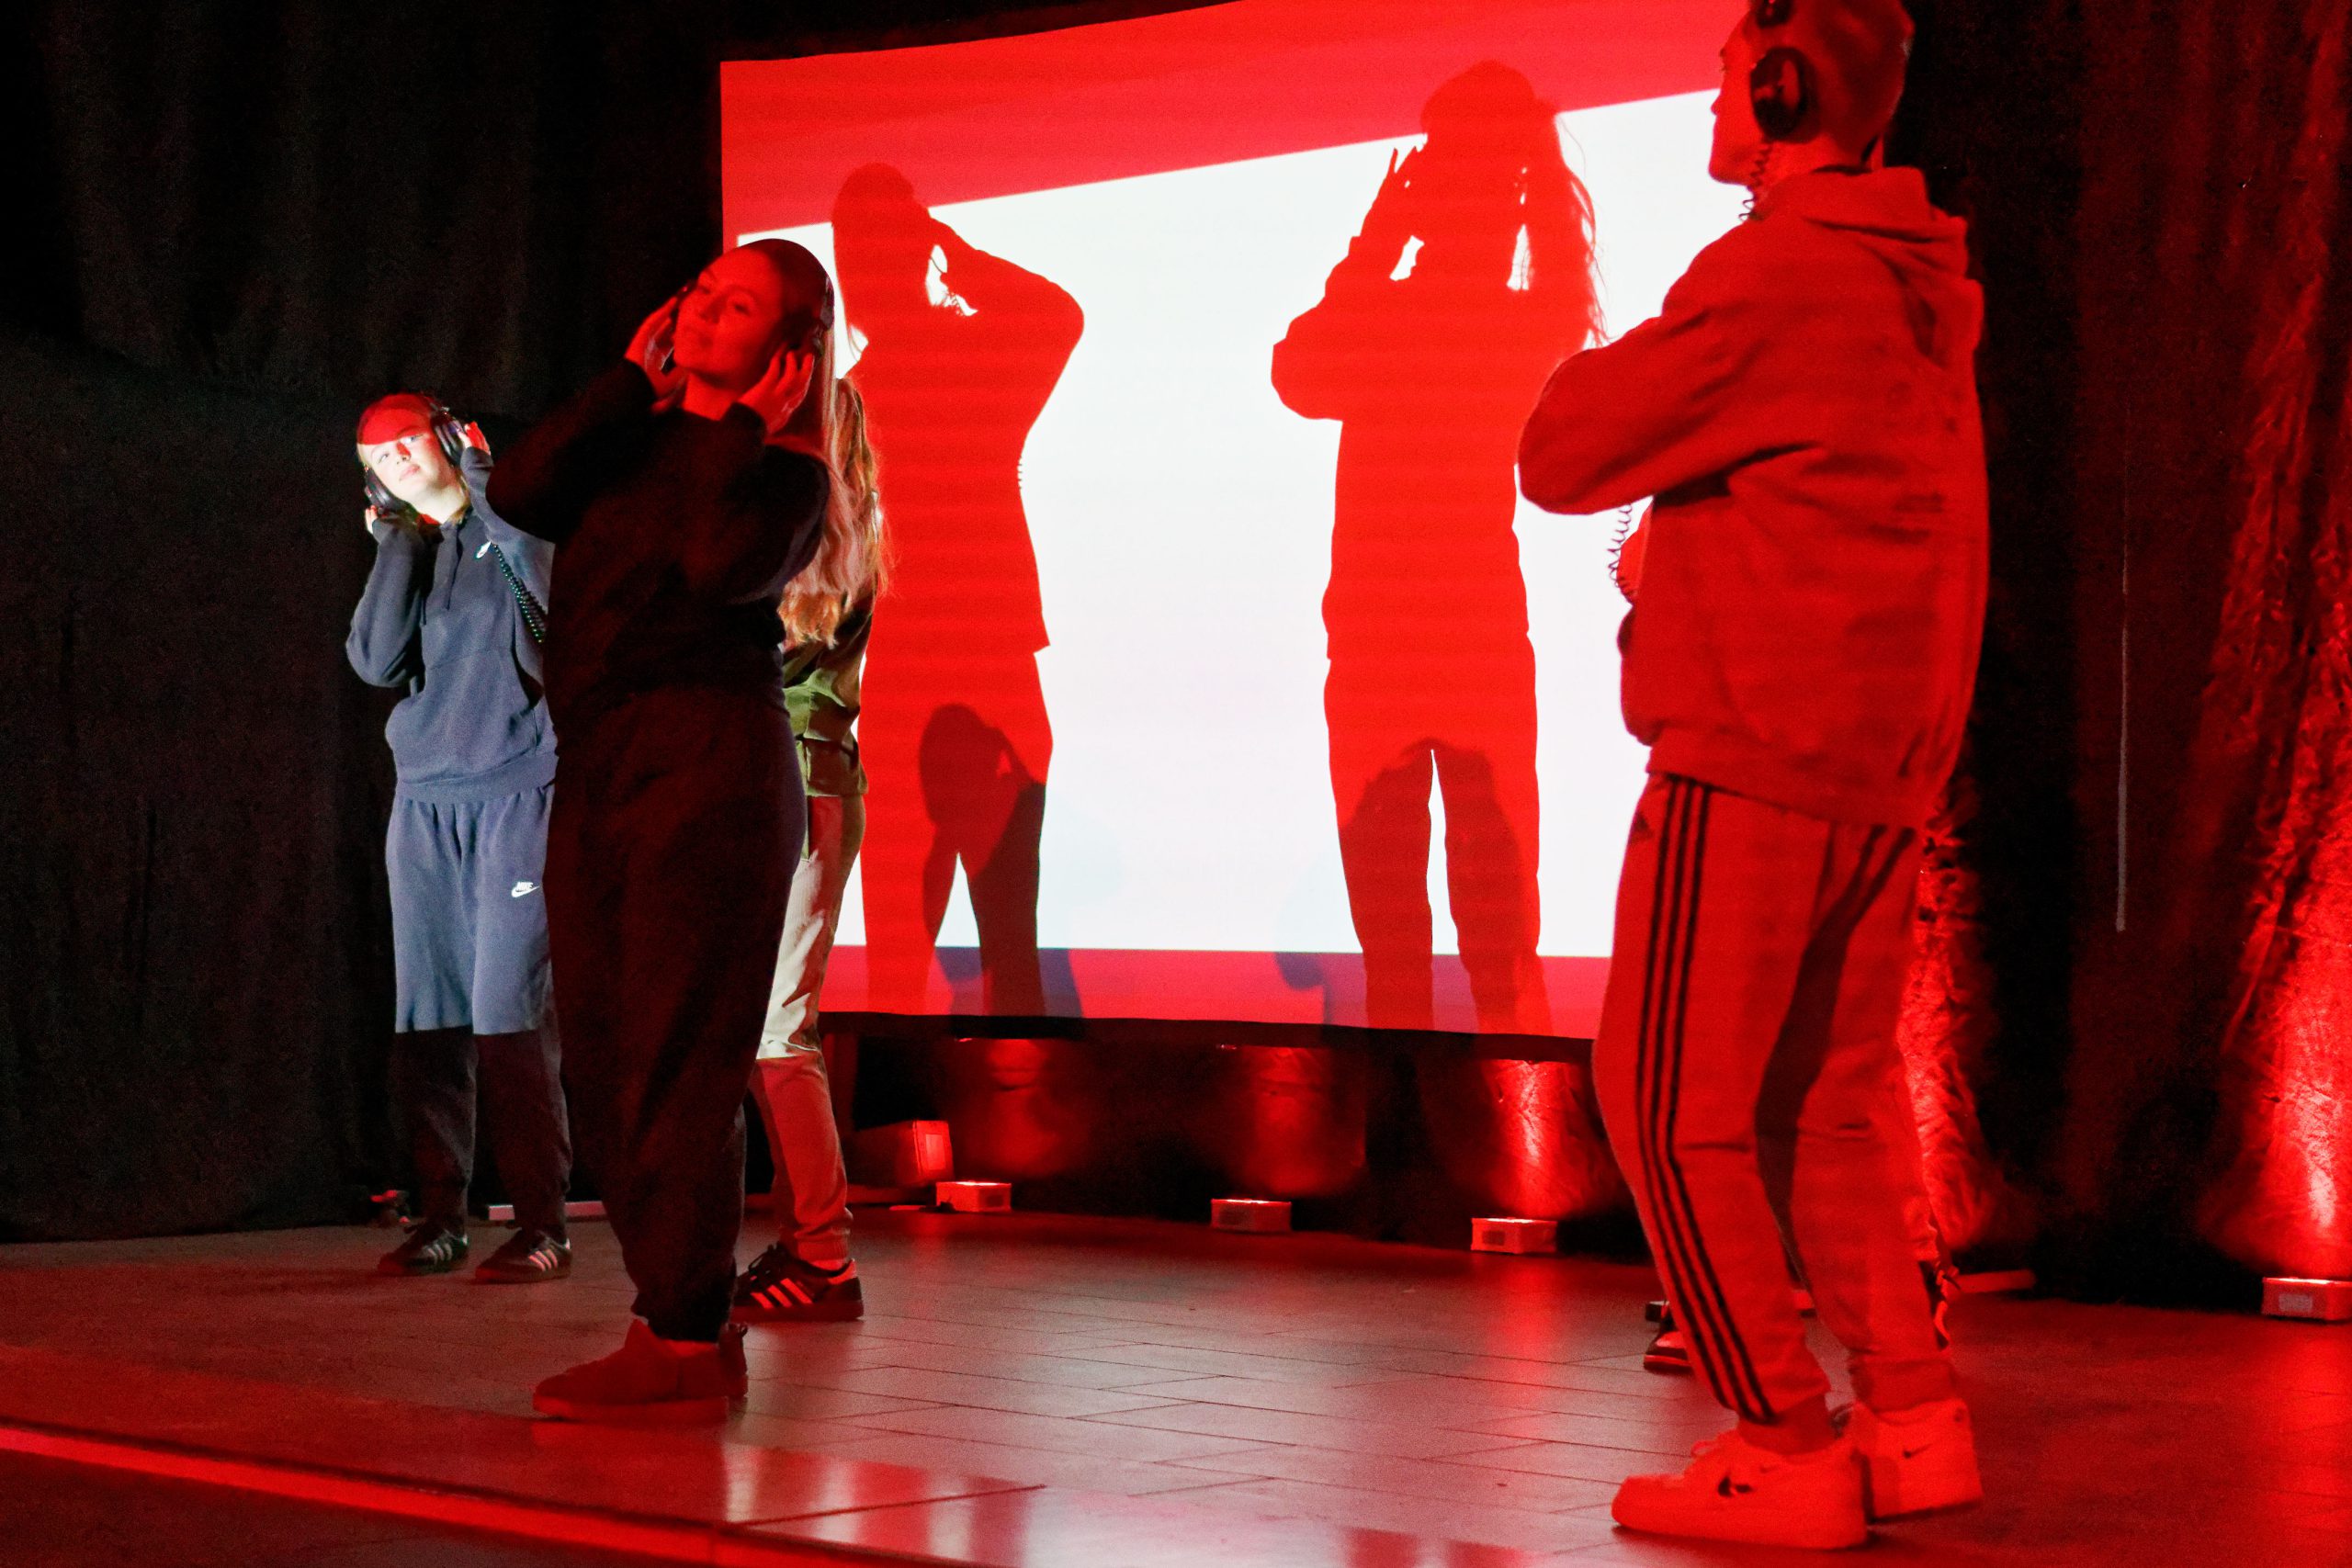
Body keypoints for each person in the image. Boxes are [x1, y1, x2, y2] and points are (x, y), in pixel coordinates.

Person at [1519, 0, 1986, 1549]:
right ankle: (1913, 1414)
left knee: (1666, 1104)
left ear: (1784, 88)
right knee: (1827, 1107)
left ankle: (1782, 1438)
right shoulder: (1918, 284)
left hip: (1757, 741)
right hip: (1877, 757)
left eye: (1728, 76)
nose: (1715, 107)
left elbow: (1561, 450)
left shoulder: (1779, 269)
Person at [488, 240, 838, 1423]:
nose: (701, 312)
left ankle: (684, 1337)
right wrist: (632, 384)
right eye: (700, 292)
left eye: (736, 307)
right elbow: (518, 490)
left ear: (786, 354)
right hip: (600, 766)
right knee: (597, 1049)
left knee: (676, 1057)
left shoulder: (782, 476)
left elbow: (714, 564)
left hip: (709, 768)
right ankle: (678, 1322)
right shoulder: (628, 438)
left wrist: (732, 428)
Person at [1273, 62, 1600, 1037]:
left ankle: (1418, 1113)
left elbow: (1299, 371)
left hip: (1384, 642)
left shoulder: (1400, 313)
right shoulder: (1523, 320)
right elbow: (1302, 373)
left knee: (1399, 945)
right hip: (1474, 638)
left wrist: (1378, 240)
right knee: (1499, 943)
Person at [345, 393, 573, 1285]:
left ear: (450, 438)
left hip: (515, 794)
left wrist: (491, 493)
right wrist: (396, 541)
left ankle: (544, 1224)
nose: (394, 459)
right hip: (425, 804)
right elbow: (374, 659)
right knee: (430, 1016)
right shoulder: (418, 546)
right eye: (377, 456)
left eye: (407, 441)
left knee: (507, 1010)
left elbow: (549, 610)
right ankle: (441, 1216)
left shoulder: (513, 532)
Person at [734, 378, 888, 1325]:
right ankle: (806, 1240)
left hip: (799, 786)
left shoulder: (813, 540)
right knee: (774, 1030)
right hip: (793, 784)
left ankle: (825, 1254)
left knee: (777, 1032)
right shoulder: (835, 530)